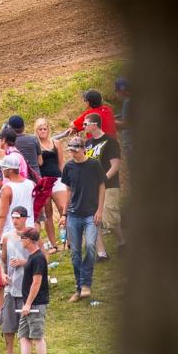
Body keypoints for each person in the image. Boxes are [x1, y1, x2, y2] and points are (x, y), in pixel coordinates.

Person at [63, 136, 103, 301]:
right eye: (70, 150)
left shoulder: (94, 165)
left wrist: (100, 210)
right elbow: (68, 192)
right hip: (73, 215)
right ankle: (79, 288)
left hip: (91, 214)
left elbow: (102, 186)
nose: (72, 153)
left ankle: (86, 283)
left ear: (83, 149)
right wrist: (64, 214)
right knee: (75, 253)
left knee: (91, 246)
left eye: (75, 150)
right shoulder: (68, 167)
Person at [0, 206, 31, 354]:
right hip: (10, 286)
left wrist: (24, 262)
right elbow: (2, 260)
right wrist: (2, 274)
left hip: (26, 286)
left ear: (25, 218)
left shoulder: (32, 235)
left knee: (27, 322)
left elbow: (42, 259)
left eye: (18, 217)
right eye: (13, 217)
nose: (15, 221)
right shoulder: (7, 237)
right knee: (7, 322)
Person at [11, 228, 50, 354]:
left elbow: (36, 283)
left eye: (22, 238)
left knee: (37, 335)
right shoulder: (32, 257)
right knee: (23, 335)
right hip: (28, 304)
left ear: (28, 240)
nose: (21, 240)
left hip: (35, 304)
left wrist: (28, 304)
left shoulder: (38, 258)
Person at [82, 113, 122, 256]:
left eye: (85, 124)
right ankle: (101, 253)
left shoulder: (110, 142)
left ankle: (122, 241)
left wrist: (103, 179)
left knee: (109, 218)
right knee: (94, 219)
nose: (83, 127)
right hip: (92, 187)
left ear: (94, 125)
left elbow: (115, 165)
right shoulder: (87, 144)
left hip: (109, 185)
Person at [32, 117, 66, 250]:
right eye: (40, 129)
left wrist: (66, 179)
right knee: (47, 214)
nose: (42, 131)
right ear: (36, 131)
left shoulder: (55, 143)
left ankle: (68, 240)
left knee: (63, 208)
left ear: (48, 129)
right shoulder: (35, 145)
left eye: (44, 128)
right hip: (43, 181)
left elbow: (61, 163)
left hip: (57, 178)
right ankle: (53, 244)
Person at [0, 156, 33, 240]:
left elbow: (2, 216)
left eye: (3, 167)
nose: (1, 170)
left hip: (13, 234)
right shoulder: (31, 183)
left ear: (10, 170)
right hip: (30, 231)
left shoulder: (7, 188)